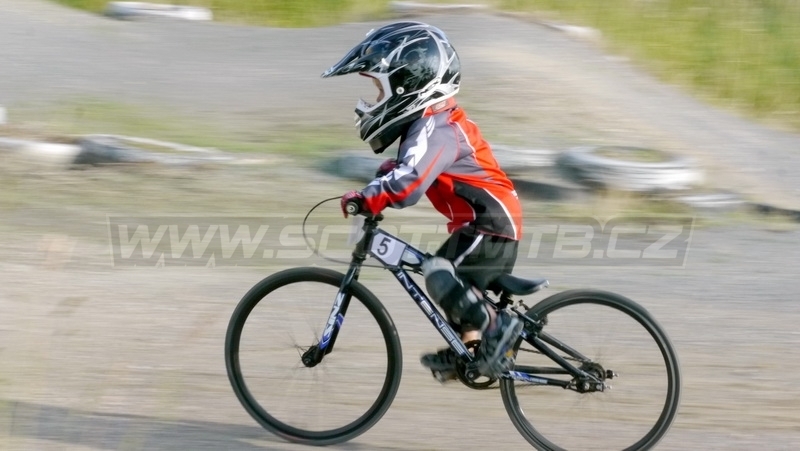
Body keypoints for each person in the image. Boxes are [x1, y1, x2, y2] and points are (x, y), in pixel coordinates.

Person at [321, 21, 523, 379]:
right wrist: (387, 173)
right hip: (482, 223)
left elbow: (409, 182)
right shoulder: (432, 123)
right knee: (454, 285)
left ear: (408, 84)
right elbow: (412, 168)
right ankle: (472, 350)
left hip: (490, 222)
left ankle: (499, 327)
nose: (374, 101)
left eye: (379, 89)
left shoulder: (435, 126)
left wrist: (369, 197)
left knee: (439, 275)